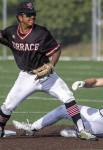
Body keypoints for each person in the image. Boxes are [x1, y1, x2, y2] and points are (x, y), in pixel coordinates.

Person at [0, 1, 96, 140]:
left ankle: (81, 130)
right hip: (26, 76)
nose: (32, 17)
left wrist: (51, 65)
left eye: (34, 14)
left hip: (47, 75)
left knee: (68, 96)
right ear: (20, 17)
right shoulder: (11, 32)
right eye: (29, 15)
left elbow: (56, 50)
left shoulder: (41, 33)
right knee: (8, 105)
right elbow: (3, 37)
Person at [13, 60, 103, 138]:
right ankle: (32, 128)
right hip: (98, 113)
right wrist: (84, 83)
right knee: (66, 108)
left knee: (83, 129)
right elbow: (96, 81)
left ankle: (78, 132)